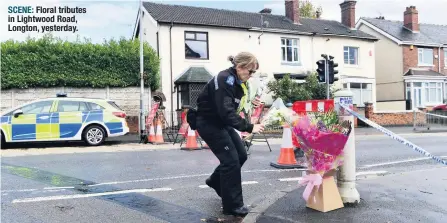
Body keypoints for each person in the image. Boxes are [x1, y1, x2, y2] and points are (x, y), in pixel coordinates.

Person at [194, 52, 265, 217]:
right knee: (231, 161)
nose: (251, 75)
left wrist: (251, 103)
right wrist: (249, 127)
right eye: (250, 71)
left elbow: (235, 106)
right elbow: (226, 111)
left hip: (221, 123)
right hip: (209, 123)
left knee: (241, 155)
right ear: (240, 67)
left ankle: (215, 182)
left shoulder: (238, 81)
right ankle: (233, 206)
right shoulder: (225, 79)